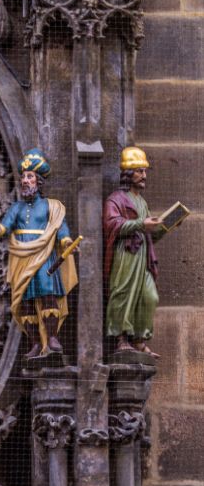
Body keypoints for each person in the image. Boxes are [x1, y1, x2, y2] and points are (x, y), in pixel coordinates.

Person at [0, 148, 78, 359]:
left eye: (29, 177)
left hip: (45, 256)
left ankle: (52, 337)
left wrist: (66, 241)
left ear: (39, 181)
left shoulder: (50, 206)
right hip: (22, 257)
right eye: (23, 177)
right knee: (25, 300)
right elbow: (6, 226)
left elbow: (60, 227)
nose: (25, 181)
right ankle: (35, 342)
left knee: (48, 296)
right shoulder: (17, 208)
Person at [104, 146, 164, 357]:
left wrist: (165, 227)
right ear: (128, 174)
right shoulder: (116, 199)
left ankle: (139, 339)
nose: (144, 176)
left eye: (144, 171)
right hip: (126, 254)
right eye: (139, 171)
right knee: (123, 293)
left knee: (150, 297)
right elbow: (112, 224)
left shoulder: (142, 202)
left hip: (143, 255)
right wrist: (140, 223)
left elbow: (149, 234)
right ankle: (121, 338)